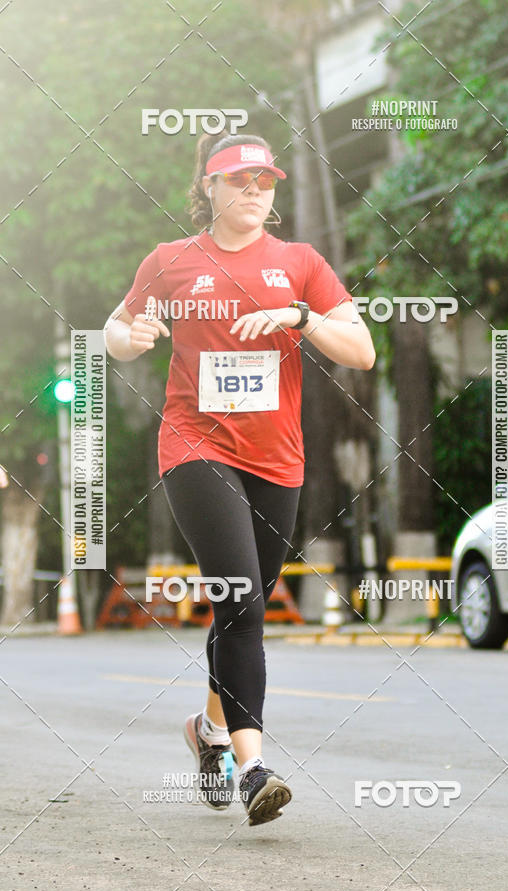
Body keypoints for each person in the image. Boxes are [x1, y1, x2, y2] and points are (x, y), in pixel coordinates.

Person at [103, 130, 375, 826]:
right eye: (239, 180)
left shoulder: (300, 263)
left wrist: (301, 315)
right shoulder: (171, 261)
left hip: (276, 458)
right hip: (195, 445)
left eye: (266, 181)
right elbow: (118, 323)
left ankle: (209, 729)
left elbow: (363, 350)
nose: (255, 191)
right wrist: (125, 339)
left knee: (240, 607)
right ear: (210, 189)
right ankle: (256, 766)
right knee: (244, 600)